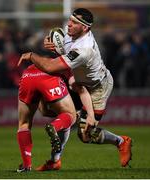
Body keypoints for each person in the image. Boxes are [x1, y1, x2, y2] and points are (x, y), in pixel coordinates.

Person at [18, 8, 132, 167]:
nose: (69, 24)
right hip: (79, 82)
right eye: (70, 20)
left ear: (85, 28)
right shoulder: (72, 33)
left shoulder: (84, 49)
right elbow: (60, 42)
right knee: (56, 112)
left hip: (97, 88)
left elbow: (50, 67)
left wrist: (31, 56)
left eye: (74, 22)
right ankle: (55, 161)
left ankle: (121, 141)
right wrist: (50, 43)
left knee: (85, 136)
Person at [17, 64, 76, 172]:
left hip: (28, 75)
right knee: (71, 115)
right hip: (49, 74)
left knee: (24, 123)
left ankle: (26, 166)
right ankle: (55, 126)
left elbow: (44, 111)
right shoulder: (67, 61)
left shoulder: (36, 62)